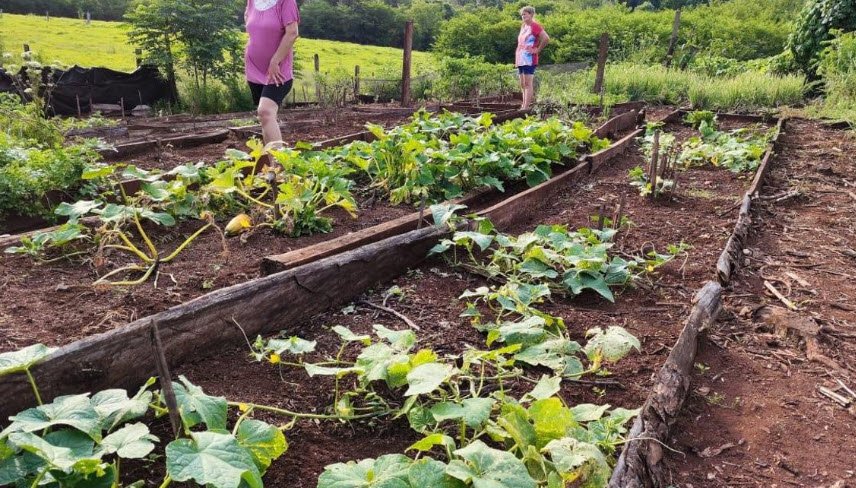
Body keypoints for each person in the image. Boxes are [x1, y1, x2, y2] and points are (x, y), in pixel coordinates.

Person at [245, 0, 300, 148]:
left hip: (277, 70)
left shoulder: (286, 2)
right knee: (265, 118)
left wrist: (275, 60)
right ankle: (271, 167)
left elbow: (292, 33)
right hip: (254, 69)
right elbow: (249, 25)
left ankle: (279, 167)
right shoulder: (252, 1)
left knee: (265, 111)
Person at [515, 6, 549, 111]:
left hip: (529, 58)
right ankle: (523, 105)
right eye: (522, 14)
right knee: (522, 83)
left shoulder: (535, 26)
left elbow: (546, 38)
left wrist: (537, 49)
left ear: (531, 14)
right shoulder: (524, 26)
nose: (523, 16)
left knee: (527, 83)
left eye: (525, 14)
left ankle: (525, 107)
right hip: (520, 57)